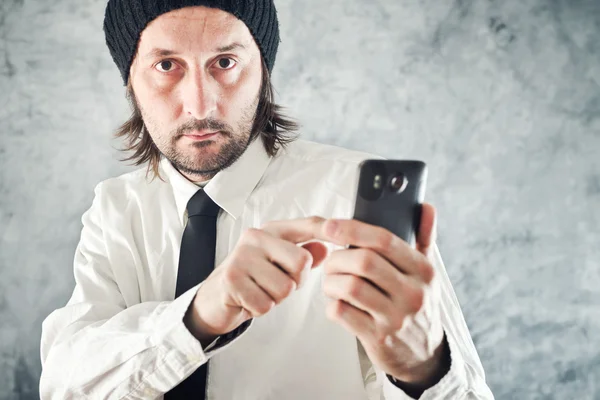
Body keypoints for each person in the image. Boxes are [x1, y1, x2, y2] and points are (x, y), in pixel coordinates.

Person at [39, 1, 495, 399]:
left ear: (263, 71)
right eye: (166, 66)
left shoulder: (354, 197)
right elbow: (64, 385)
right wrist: (197, 316)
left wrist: (423, 369)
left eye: (225, 62)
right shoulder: (115, 209)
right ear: (130, 81)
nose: (201, 105)